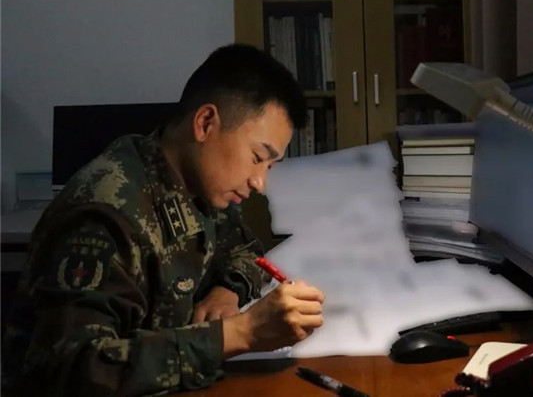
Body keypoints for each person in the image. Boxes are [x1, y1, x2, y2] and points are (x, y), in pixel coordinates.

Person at [1, 44, 326, 395]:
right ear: (205, 123)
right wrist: (242, 332)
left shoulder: (200, 185)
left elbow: (246, 250)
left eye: (270, 166)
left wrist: (228, 291)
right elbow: (77, 367)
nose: (260, 183)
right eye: (257, 157)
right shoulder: (106, 214)